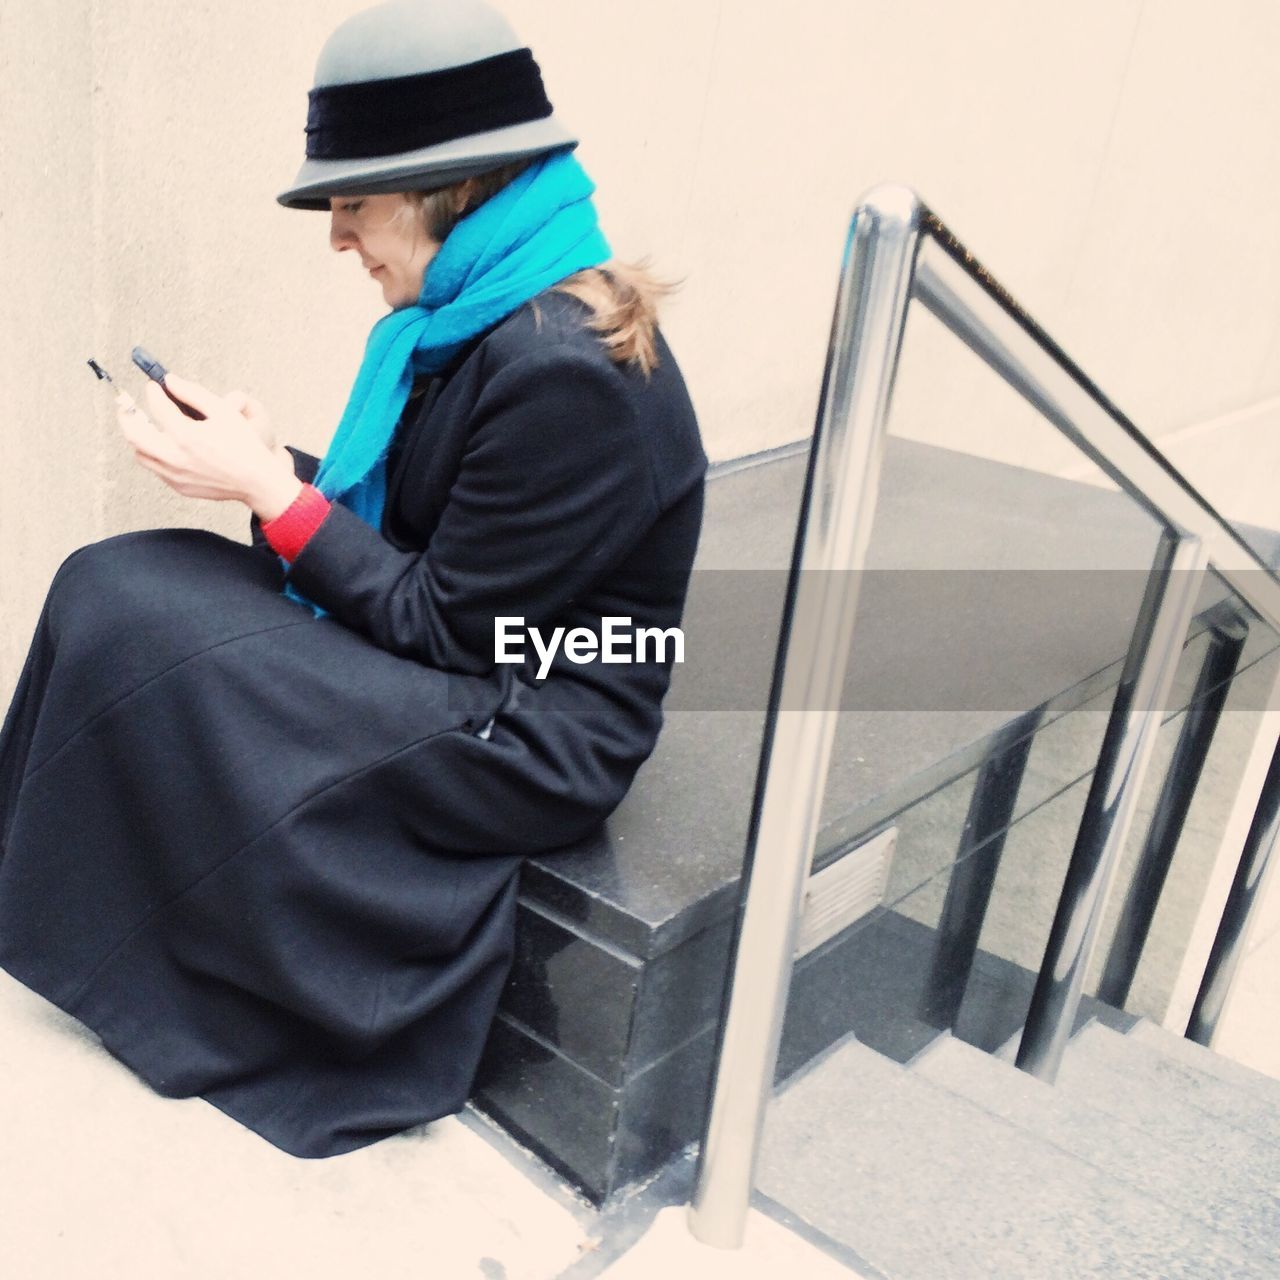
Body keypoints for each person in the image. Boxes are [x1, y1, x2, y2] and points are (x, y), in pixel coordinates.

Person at [0, 0, 706, 1159]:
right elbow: (441, 538)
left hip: (534, 722)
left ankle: (160, 962)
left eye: (352, 201)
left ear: (451, 190)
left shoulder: (559, 367)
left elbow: (447, 622)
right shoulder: (483, 319)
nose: (336, 236)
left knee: (135, 620)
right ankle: (65, 906)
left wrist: (272, 496)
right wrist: (264, 463)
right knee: (109, 579)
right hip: (476, 648)